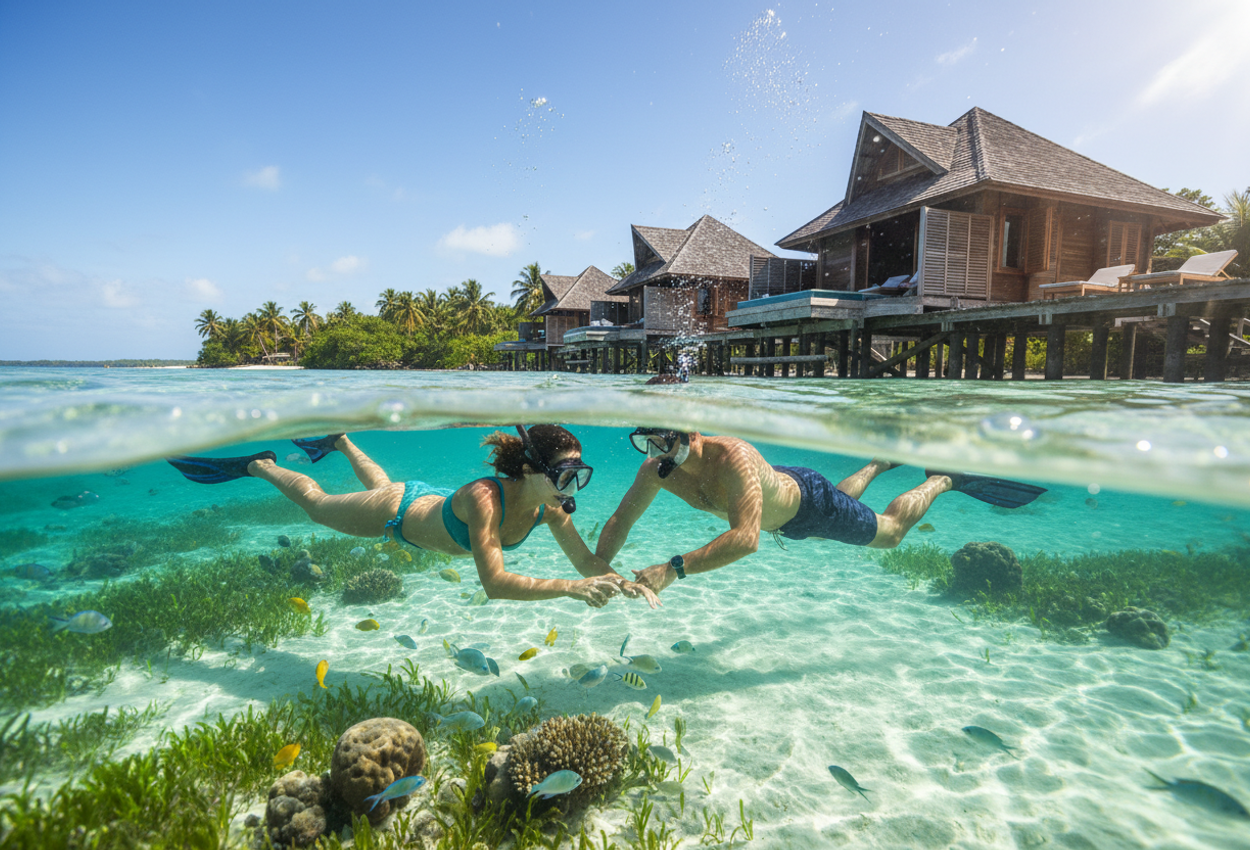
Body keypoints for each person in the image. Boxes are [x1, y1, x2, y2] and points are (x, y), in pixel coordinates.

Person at [168, 426, 659, 608]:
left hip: (427, 504)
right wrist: (571, 589)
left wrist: (621, 581)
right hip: (400, 512)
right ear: (531, 470)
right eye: (566, 475)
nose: (572, 488)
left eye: (579, 475)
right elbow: (494, 584)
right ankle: (260, 465)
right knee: (318, 508)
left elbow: (585, 562)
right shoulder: (486, 498)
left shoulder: (548, 509)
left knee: (382, 483)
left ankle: (341, 441)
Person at [595, 428, 1044, 595]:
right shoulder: (656, 470)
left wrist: (672, 569)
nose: (656, 452)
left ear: (691, 432)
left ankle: (944, 479)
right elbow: (620, 520)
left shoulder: (733, 457)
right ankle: (879, 463)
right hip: (789, 505)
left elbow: (746, 539)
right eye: (645, 442)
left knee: (889, 533)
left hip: (809, 504)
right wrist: (600, 570)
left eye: (663, 441)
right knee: (843, 509)